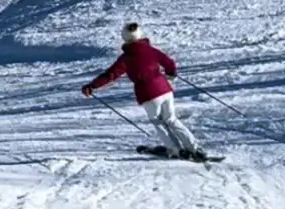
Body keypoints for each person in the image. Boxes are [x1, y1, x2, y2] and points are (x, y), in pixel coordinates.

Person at [81, 21, 206, 161]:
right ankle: (195, 148)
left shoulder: (126, 58)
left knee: (158, 122)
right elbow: (169, 63)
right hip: (165, 90)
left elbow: (110, 75)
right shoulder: (151, 50)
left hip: (148, 94)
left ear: (124, 37)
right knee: (171, 119)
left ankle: (175, 150)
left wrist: (92, 86)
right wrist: (171, 74)